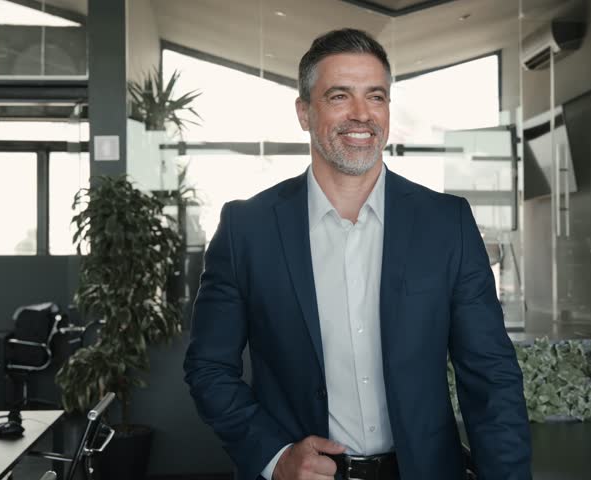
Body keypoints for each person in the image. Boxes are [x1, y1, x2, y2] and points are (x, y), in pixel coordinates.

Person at [184, 28, 532, 480]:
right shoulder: (247, 229)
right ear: (304, 112)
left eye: (376, 97)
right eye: (339, 96)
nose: (361, 114)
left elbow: (490, 376)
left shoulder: (446, 224)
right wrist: (274, 456)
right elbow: (209, 368)